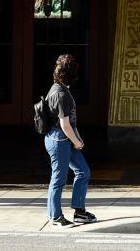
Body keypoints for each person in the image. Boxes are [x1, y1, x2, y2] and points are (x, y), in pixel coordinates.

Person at [44, 54, 96, 227]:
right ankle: (55, 216)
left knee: (83, 171)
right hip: (59, 140)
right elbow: (64, 124)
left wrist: (77, 137)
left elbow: (70, 122)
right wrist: (77, 142)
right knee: (58, 179)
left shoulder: (59, 88)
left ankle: (79, 212)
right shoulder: (61, 94)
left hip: (64, 138)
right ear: (72, 74)